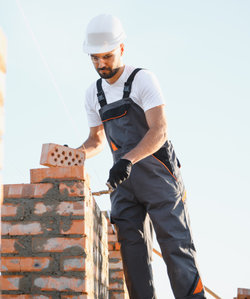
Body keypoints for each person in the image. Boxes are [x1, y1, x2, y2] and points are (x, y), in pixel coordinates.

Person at [77, 14, 206, 299]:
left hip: (159, 177)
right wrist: (75, 154)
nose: (101, 64)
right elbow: (96, 140)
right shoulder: (93, 93)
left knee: (176, 249)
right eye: (95, 58)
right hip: (124, 185)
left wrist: (127, 160)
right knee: (133, 259)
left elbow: (159, 131)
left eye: (107, 56)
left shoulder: (142, 80)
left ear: (121, 48)